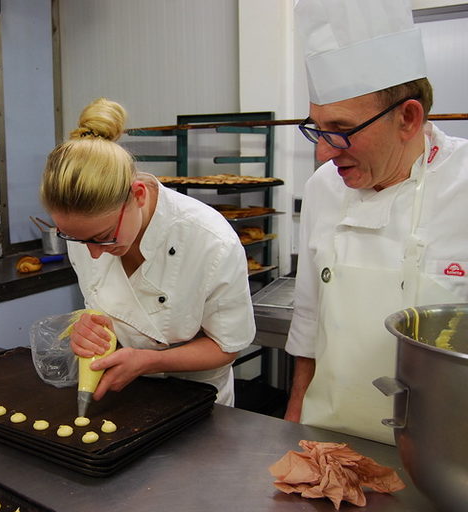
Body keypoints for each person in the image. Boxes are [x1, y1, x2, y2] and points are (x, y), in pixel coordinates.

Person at [284, 0, 468, 444]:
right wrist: (290, 425)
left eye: (341, 129)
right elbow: (310, 322)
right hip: (329, 437)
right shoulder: (324, 187)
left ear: (407, 118)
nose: (324, 152)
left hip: (444, 452)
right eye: (317, 128)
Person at [40, 98, 255, 406]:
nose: (94, 254)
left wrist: (149, 361)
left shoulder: (210, 240)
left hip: (198, 401)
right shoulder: (86, 236)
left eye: (103, 238)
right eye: (75, 239)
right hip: (125, 394)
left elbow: (227, 346)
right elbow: (109, 312)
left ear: (138, 195)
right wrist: (90, 332)